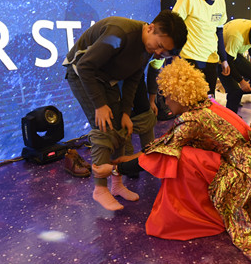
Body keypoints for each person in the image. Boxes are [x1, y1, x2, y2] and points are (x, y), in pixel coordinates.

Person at [92, 58, 251, 264]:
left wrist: (115, 168)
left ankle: (195, 215)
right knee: (184, 152)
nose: (165, 101)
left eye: (166, 96)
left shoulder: (191, 119)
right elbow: (166, 141)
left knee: (183, 158)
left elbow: (161, 152)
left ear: (178, 96)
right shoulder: (207, 105)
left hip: (244, 173)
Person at [63, 11, 187, 211]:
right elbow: (85, 66)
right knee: (104, 129)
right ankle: (100, 189)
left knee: (121, 128)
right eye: (159, 46)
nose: (158, 53)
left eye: (164, 52)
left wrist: (126, 113)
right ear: (151, 28)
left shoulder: (148, 47)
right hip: (82, 74)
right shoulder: (119, 33)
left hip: (107, 79)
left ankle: (117, 185)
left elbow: (133, 78)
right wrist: (99, 105)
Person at [174, 0, 234, 95]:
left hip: (211, 59)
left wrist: (224, 59)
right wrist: (174, 54)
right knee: (189, 100)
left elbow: (219, 32)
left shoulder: (221, 3)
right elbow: (174, 26)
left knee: (208, 101)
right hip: (189, 57)